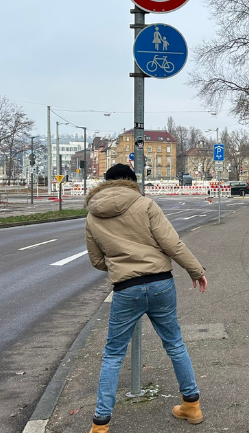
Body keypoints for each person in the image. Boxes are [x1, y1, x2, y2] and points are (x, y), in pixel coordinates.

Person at [85, 164, 208, 433]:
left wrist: (121, 266)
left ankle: (100, 425)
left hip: (126, 289)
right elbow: (172, 244)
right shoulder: (145, 204)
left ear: (106, 183)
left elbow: (96, 261)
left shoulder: (93, 215)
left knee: (113, 355)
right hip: (160, 283)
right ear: (131, 181)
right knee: (174, 344)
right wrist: (196, 271)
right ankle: (192, 405)